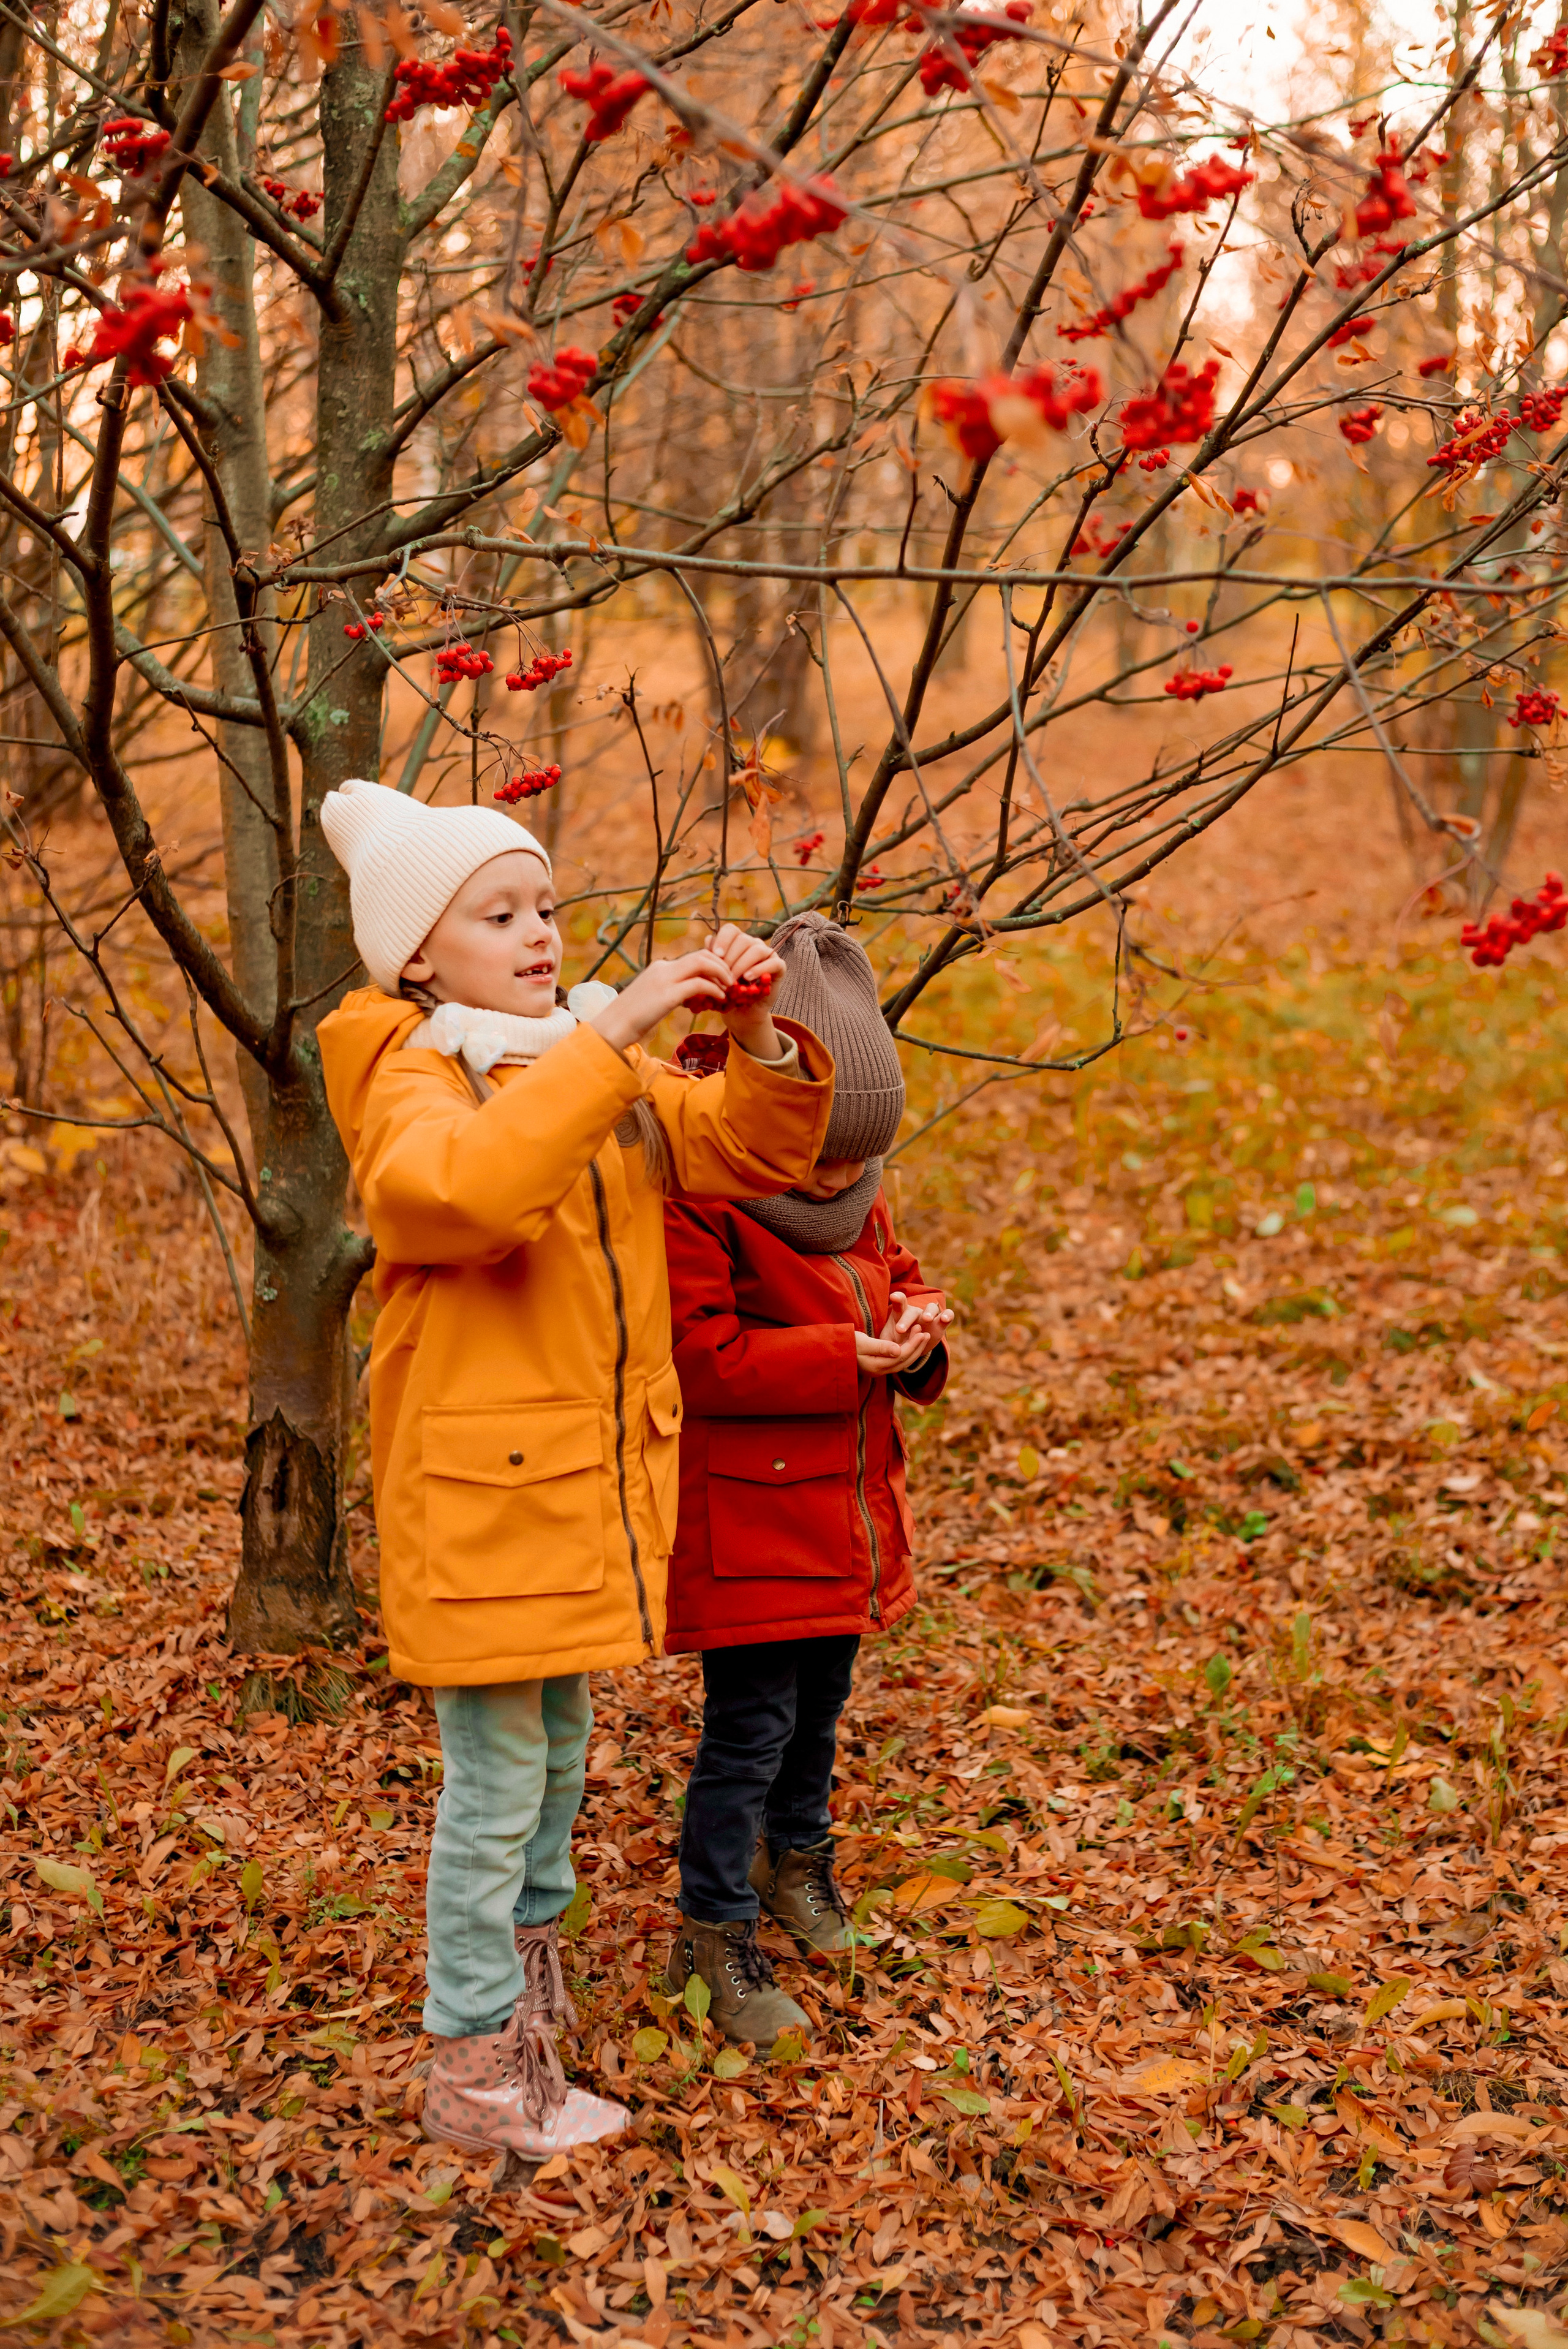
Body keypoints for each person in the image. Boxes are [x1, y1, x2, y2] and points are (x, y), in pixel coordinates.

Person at [315, 779, 835, 2159]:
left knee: (552, 1766)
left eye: (544, 906)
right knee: (494, 1793)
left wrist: (751, 1031)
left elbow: (755, 1147)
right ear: (418, 951)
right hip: (486, 1497)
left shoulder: (559, 1049)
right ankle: (473, 2075)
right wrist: (609, 1035)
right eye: (499, 914)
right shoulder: (408, 1061)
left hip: (575, 1491)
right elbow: (460, 1200)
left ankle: (527, 2044)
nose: (541, 936)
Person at [660, 912, 951, 2051]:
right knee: (749, 1725)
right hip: (747, 1517)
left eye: (859, 1161)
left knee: (821, 1707)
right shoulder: (703, 1184)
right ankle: (712, 1924)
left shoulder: (859, 1190)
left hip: (842, 1506)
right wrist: (842, 1356)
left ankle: (802, 1856)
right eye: (824, 1152)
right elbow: (701, 1355)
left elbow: (895, 1274)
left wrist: (916, 1335)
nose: (840, 1181)